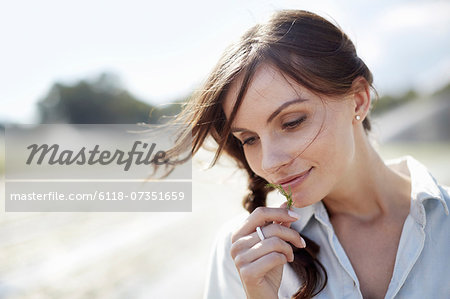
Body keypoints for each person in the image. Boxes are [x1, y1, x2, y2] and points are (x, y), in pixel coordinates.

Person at [160, 9, 450, 299]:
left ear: (358, 100)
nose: (270, 162)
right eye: (249, 139)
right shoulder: (243, 256)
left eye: (292, 122)